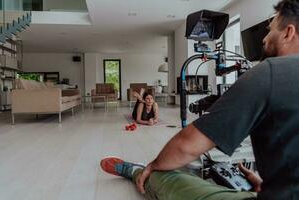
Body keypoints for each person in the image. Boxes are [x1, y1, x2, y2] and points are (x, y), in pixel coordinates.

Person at [101, 0, 299, 199]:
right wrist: (272, 184)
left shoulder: (269, 72)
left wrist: (154, 165)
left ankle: (137, 171)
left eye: (270, 29)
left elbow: (187, 146)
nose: (264, 38)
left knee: (167, 177)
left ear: (288, 32)